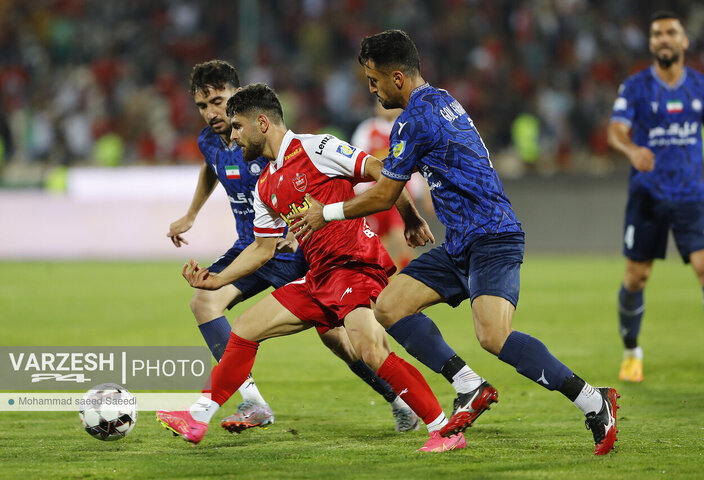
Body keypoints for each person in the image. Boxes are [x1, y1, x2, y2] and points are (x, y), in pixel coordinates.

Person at [290, 30, 619, 455]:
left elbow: (385, 192)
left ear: (397, 77)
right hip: (462, 242)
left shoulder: (413, 119)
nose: (370, 89)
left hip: (492, 236)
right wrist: (412, 218)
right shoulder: (442, 99)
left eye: (373, 80)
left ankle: (595, 401)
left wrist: (326, 213)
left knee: (493, 336)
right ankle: (468, 383)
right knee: (389, 306)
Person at [157, 83, 466, 452]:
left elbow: (382, 170)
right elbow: (261, 249)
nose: (233, 135)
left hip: (355, 266)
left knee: (370, 350)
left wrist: (411, 217)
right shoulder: (266, 183)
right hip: (319, 276)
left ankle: (445, 432)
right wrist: (217, 280)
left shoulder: (318, 147)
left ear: (262, 123)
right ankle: (198, 417)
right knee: (245, 327)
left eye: (238, 126)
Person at [608, 12, 704, 382]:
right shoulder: (636, 87)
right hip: (647, 197)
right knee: (636, 277)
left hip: (691, 196)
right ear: (651, 43)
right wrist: (632, 151)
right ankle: (631, 351)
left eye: (671, 32)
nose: (664, 38)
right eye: (657, 33)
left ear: (685, 41)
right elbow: (616, 131)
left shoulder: (703, 88)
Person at [351, 102, 431, 269]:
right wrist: (356, 191)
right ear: (375, 107)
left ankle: (410, 276)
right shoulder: (366, 130)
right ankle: (385, 278)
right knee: (379, 243)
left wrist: (426, 193)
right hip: (375, 191)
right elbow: (355, 163)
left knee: (401, 237)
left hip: (402, 190)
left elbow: (419, 162)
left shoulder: (407, 129)